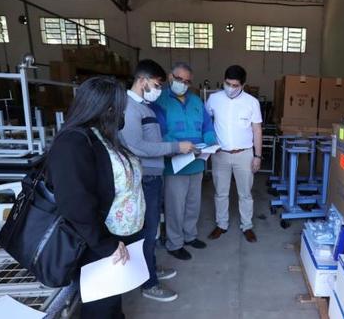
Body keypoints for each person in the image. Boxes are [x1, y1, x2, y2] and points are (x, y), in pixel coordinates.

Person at [46, 77, 145, 319]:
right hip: (95, 241)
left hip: (113, 238)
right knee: (100, 305)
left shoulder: (100, 135)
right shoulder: (73, 143)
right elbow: (75, 205)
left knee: (111, 300)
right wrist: (106, 244)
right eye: (119, 108)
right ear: (106, 109)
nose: (122, 114)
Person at [119, 60, 195, 302]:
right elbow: (136, 146)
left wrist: (176, 150)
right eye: (157, 84)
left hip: (153, 175)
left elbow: (150, 143)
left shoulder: (144, 106)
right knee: (147, 231)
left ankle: (148, 268)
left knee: (150, 230)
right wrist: (176, 146)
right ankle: (149, 283)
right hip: (143, 178)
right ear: (143, 80)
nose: (159, 89)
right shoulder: (130, 108)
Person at [152, 62, 216, 260]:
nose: (183, 84)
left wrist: (211, 142)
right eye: (179, 80)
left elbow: (207, 125)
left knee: (193, 204)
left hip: (197, 161)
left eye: (187, 81)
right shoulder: (159, 101)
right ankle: (174, 243)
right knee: (175, 207)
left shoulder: (196, 101)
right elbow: (158, 133)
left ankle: (190, 236)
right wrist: (178, 147)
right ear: (170, 77)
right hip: (175, 164)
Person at [206, 65, 263, 243]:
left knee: (245, 193)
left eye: (235, 85)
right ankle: (221, 224)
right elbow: (205, 123)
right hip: (220, 154)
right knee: (220, 192)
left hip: (244, 154)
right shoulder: (213, 99)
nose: (230, 88)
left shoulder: (252, 102)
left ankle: (247, 226)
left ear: (243, 85)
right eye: (227, 83)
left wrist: (258, 156)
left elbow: (257, 130)